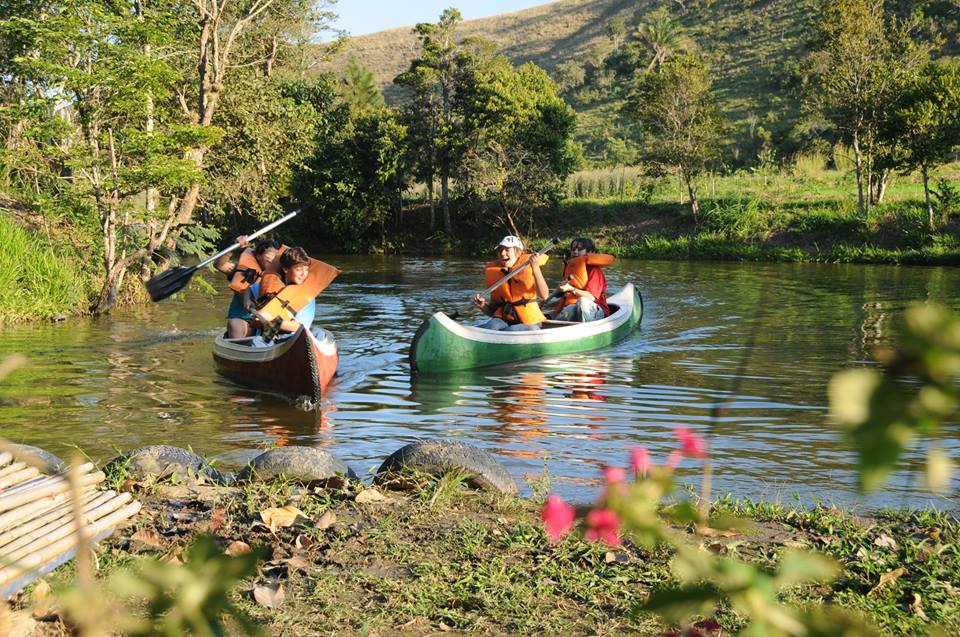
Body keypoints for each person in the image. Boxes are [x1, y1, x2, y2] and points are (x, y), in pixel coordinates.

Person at [472, 235, 549, 331]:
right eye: (500, 250)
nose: (503, 253)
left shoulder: (530, 267)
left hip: (529, 322)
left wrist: (535, 267)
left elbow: (544, 295)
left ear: (518, 252)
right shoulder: (497, 274)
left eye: (507, 250)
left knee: (512, 330)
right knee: (492, 326)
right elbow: (492, 312)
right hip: (505, 320)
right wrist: (482, 305)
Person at [214, 237, 280, 338]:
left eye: (275, 255)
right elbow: (219, 265)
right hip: (242, 321)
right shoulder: (241, 270)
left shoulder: (282, 276)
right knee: (235, 324)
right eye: (269, 254)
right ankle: (238, 347)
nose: (272, 258)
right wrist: (233, 248)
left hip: (264, 321)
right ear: (258, 256)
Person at [252, 246, 317, 344]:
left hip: (293, 339)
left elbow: (299, 326)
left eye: (306, 270)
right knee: (256, 341)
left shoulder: (307, 296)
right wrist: (247, 301)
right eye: (299, 270)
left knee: (319, 333)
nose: (304, 274)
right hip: (268, 337)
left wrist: (272, 320)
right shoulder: (272, 285)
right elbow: (250, 289)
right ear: (286, 269)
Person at [552, 237, 612, 322]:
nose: (575, 252)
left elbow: (591, 297)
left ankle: (588, 331)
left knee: (583, 301)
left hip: (596, 312)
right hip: (574, 307)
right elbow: (566, 297)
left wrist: (571, 289)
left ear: (590, 252)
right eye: (573, 249)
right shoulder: (571, 268)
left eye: (580, 249)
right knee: (570, 308)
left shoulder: (595, 271)